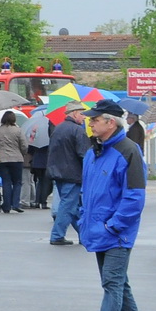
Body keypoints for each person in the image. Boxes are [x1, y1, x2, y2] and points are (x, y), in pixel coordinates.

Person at [79, 101, 145, 311]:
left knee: (112, 283)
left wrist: (115, 225)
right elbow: (88, 191)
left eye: (95, 119)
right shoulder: (93, 152)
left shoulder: (129, 151)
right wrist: (84, 217)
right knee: (118, 283)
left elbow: (135, 195)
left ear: (111, 122)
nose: (91, 122)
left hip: (116, 232)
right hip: (100, 229)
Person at [47, 104, 90, 245]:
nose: (84, 118)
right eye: (82, 114)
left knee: (73, 206)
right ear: (75, 113)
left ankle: (84, 235)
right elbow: (84, 154)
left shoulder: (58, 128)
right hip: (72, 173)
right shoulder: (78, 131)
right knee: (68, 205)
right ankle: (57, 235)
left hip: (58, 172)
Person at [0, 111, 28, 214]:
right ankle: (15, 204)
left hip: (1, 159)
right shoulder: (18, 130)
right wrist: (22, 153)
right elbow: (24, 146)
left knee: (6, 181)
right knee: (17, 182)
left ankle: (6, 205)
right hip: (16, 158)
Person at [23, 111, 52, 209]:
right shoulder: (50, 134)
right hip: (46, 161)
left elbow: (30, 149)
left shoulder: (34, 132)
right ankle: (43, 201)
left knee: (39, 181)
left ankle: (37, 201)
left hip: (36, 161)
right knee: (46, 182)